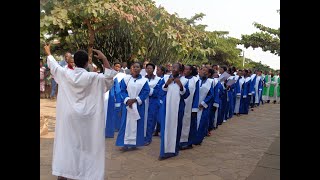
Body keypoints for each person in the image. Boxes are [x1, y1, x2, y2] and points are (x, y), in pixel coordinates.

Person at [44, 44, 117, 180]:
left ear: (73, 61)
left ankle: (64, 172)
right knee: (87, 145)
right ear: (86, 62)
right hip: (88, 119)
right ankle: (87, 174)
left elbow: (54, 67)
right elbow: (108, 78)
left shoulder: (66, 74)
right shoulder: (92, 77)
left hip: (69, 118)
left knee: (68, 143)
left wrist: (48, 53)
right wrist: (104, 58)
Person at [115, 62, 150, 150]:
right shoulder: (126, 79)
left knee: (137, 123)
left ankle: (135, 143)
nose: (135, 68)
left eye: (138, 67)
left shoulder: (144, 81)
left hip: (138, 106)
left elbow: (146, 92)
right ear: (131, 68)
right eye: (134, 67)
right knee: (125, 123)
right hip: (127, 105)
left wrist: (135, 100)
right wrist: (127, 99)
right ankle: (124, 144)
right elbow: (122, 90)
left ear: (140, 69)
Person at [159, 63, 190, 160]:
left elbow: (186, 95)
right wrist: (167, 83)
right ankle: (164, 151)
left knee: (176, 128)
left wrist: (180, 85)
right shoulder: (165, 78)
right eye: (172, 67)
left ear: (180, 71)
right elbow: (160, 92)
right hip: (167, 108)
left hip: (178, 108)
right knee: (166, 128)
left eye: (175, 68)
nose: (173, 69)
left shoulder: (185, 80)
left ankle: (174, 150)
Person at [192, 66, 214, 145]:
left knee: (201, 123)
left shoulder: (209, 82)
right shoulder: (195, 80)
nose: (203, 72)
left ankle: (197, 140)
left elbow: (211, 95)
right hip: (193, 105)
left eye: (205, 71)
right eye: (202, 70)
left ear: (208, 74)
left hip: (202, 106)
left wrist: (203, 103)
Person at [104, 62, 126, 138]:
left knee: (112, 114)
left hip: (113, 97)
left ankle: (110, 131)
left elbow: (118, 89)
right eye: (116, 66)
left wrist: (118, 100)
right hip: (106, 96)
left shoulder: (121, 76)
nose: (117, 68)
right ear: (113, 66)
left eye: (119, 67)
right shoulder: (109, 75)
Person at [179, 65, 198, 150]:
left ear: (190, 71)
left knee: (189, 123)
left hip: (190, 106)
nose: (185, 70)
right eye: (184, 69)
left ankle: (188, 143)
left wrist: (195, 107)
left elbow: (197, 94)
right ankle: (179, 141)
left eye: (187, 69)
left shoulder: (195, 80)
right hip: (181, 105)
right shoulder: (181, 79)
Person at [144, 63, 161, 146]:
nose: (149, 70)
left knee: (151, 120)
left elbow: (158, 91)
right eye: (147, 68)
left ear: (153, 69)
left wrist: (147, 91)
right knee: (144, 119)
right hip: (144, 100)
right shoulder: (143, 78)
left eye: (150, 68)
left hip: (153, 101)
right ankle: (142, 137)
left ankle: (148, 138)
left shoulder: (158, 79)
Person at [153, 66, 168, 137]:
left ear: (162, 72)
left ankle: (162, 131)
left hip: (162, 99)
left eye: (158, 70)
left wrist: (161, 99)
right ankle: (156, 130)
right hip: (157, 99)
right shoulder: (157, 79)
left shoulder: (164, 79)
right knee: (157, 116)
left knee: (161, 116)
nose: (156, 72)